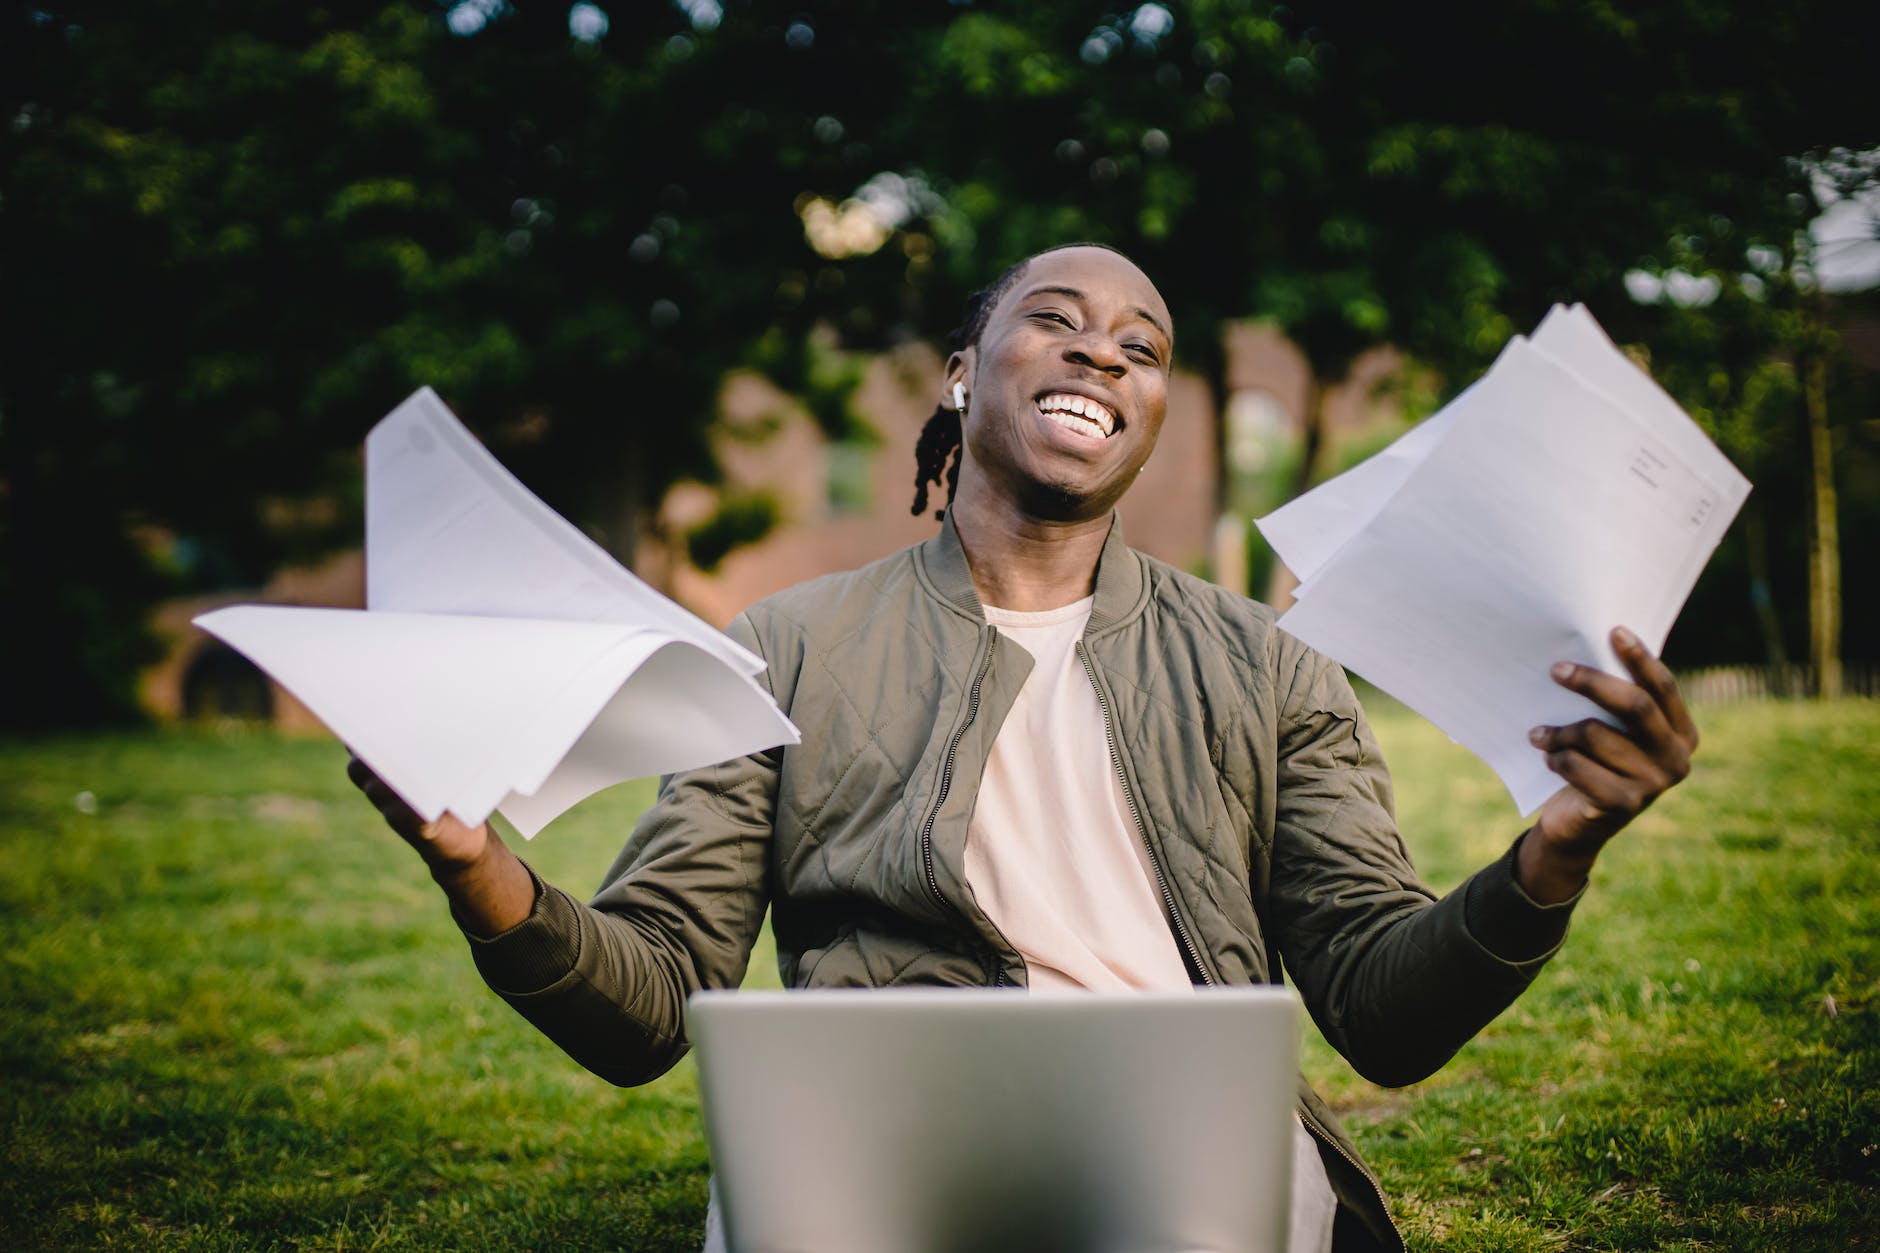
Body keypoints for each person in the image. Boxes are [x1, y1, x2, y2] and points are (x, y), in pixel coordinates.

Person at [349, 244, 1698, 1252]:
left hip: (1196, 1169)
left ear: (1154, 409)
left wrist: (1550, 856)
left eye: (1142, 345)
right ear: (962, 374)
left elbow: (1384, 1006)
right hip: (874, 1160)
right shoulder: (784, 642)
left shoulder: (1266, 662)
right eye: (1054, 321)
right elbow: (646, 1003)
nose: (1104, 352)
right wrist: (476, 864)